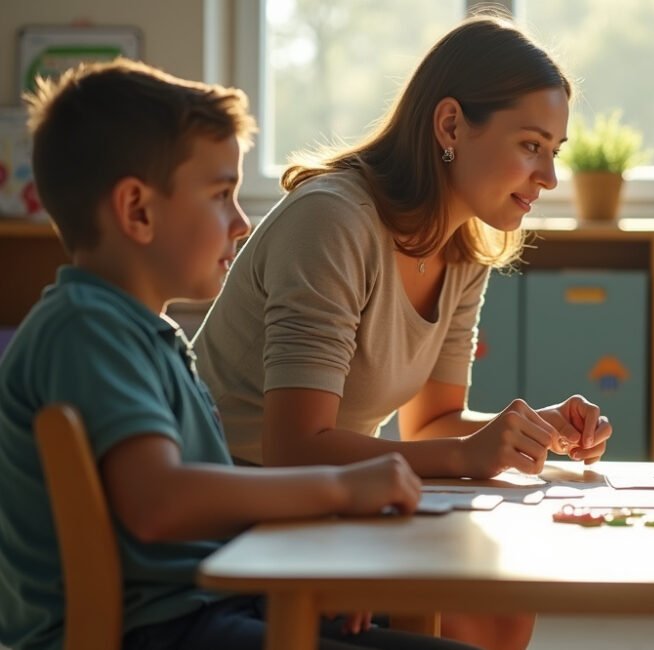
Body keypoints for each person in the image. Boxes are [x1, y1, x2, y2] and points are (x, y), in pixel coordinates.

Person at [0, 59, 476, 650]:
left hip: (210, 607)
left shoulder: (143, 333)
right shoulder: (87, 331)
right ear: (137, 210)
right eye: (221, 195)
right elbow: (159, 502)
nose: (242, 222)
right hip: (160, 630)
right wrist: (340, 489)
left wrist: (331, 547)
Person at [191, 15, 608, 650]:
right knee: (478, 611)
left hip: (324, 504)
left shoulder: (465, 244)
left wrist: (530, 430)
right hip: (236, 521)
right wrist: (465, 455)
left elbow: (432, 424)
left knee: (501, 608)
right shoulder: (333, 221)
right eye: (531, 145)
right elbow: (293, 449)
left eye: (555, 151)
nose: (549, 177)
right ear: (450, 126)